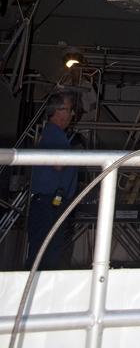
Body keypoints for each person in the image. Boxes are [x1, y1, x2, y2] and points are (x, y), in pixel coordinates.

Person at [27, 92, 78, 268]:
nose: (72, 115)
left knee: (44, 251)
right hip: (49, 203)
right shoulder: (54, 134)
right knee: (47, 253)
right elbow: (58, 163)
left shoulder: (54, 134)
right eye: (70, 110)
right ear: (58, 111)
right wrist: (76, 155)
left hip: (50, 202)